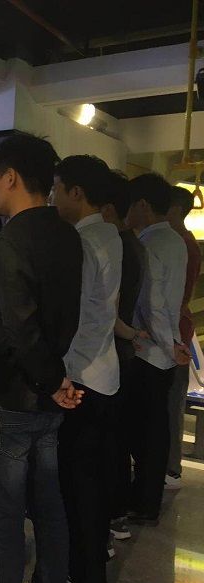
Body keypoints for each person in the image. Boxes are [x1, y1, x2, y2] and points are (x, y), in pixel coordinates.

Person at [0, 133, 83, 583]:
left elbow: (19, 327)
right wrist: (55, 378)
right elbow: (67, 317)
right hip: (47, 393)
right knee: (49, 505)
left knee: (4, 515)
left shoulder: (11, 240)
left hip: (8, 396)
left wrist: (51, 379)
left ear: (11, 177)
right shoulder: (68, 234)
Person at [52, 155, 122, 583]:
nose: (53, 197)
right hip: (105, 373)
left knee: (76, 488)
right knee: (92, 483)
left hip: (81, 377)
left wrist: (61, 372)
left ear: (76, 192)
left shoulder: (81, 241)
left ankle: (82, 578)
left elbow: (79, 317)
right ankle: (92, 572)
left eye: (57, 189)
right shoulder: (109, 233)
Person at [125, 173, 189, 524]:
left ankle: (143, 502)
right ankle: (148, 501)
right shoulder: (175, 240)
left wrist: (167, 344)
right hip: (163, 350)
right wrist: (173, 344)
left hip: (149, 351)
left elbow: (152, 303)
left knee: (144, 433)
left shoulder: (150, 243)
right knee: (156, 429)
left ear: (143, 205)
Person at [100, 170, 147, 542]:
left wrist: (129, 333)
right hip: (122, 350)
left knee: (108, 443)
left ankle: (111, 517)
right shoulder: (133, 244)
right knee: (115, 439)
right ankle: (115, 515)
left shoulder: (115, 244)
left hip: (114, 348)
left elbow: (109, 311)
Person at [165, 186, 201, 490]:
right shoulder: (184, 242)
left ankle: (171, 468)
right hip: (177, 330)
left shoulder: (180, 244)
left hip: (174, 333)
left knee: (170, 404)